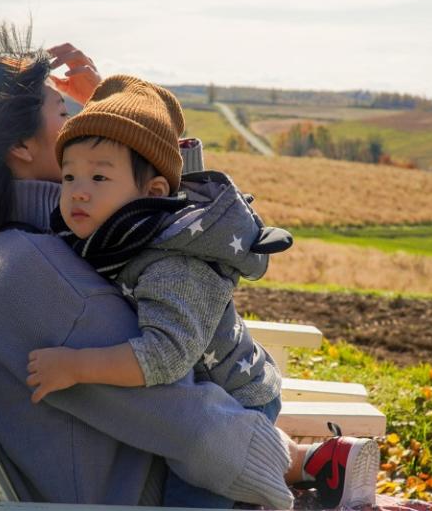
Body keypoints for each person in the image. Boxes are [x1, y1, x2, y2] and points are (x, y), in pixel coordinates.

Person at [0, 24, 376, 509]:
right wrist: (283, 466)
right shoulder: (36, 280)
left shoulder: (38, 235)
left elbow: (161, 216)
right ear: (20, 148)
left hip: (141, 460)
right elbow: (191, 424)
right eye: (62, 110)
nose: (77, 120)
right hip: (146, 493)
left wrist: (113, 121)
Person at [26, 75, 361, 508]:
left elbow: (165, 355)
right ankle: (321, 462)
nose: (77, 192)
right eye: (68, 176)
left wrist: (76, 367)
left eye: (98, 177)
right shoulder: (119, 232)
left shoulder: (172, 262)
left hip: (234, 407)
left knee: (192, 497)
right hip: (205, 396)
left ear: (154, 193)